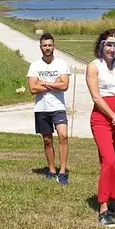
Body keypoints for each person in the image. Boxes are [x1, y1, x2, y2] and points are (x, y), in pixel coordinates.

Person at [86, 28, 115, 228]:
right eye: (108, 44)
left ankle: (114, 199)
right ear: (102, 45)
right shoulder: (94, 67)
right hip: (102, 119)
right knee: (108, 160)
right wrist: (113, 116)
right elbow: (96, 96)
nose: (112, 49)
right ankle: (103, 208)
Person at [26, 33, 71, 184]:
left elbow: (64, 85)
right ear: (40, 47)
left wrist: (43, 83)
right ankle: (52, 170)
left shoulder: (61, 64)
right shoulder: (35, 66)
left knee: (63, 136)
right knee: (47, 140)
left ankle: (63, 172)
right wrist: (53, 84)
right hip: (41, 108)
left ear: (54, 46)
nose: (47, 48)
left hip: (58, 107)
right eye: (44, 45)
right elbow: (32, 88)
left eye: (50, 45)